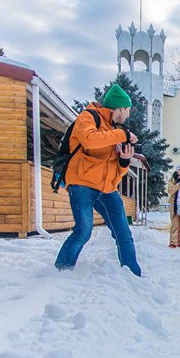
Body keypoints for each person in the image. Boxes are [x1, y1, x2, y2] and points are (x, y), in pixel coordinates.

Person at [54, 83, 141, 276]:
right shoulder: (88, 117)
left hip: (108, 189)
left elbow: (115, 173)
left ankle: (134, 276)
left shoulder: (113, 129)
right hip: (82, 183)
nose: (128, 115)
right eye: (128, 110)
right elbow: (90, 140)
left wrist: (124, 161)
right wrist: (123, 134)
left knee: (124, 234)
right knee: (83, 230)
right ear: (121, 108)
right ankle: (61, 272)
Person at [167, 164, 180, 248]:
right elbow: (170, 191)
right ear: (177, 171)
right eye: (179, 169)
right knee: (175, 223)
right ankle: (172, 242)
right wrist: (179, 184)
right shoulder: (172, 179)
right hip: (174, 204)